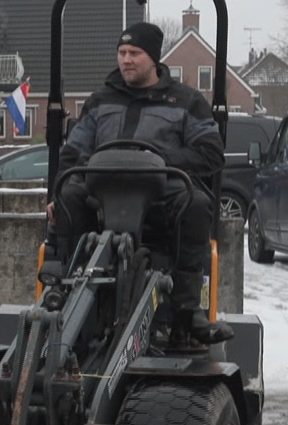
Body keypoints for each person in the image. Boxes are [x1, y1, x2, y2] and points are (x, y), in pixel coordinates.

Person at [54, 21, 233, 350]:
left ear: (153, 58)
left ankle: (187, 315)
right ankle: (66, 290)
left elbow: (209, 153)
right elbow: (74, 152)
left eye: (134, 53)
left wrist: (160, 161)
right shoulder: (99, 102)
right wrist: (56, 195)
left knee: (196, 205)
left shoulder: (185, 102)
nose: (126, 60)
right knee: (69, 195)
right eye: (121, 53)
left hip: (162, 197)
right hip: (103, 197)